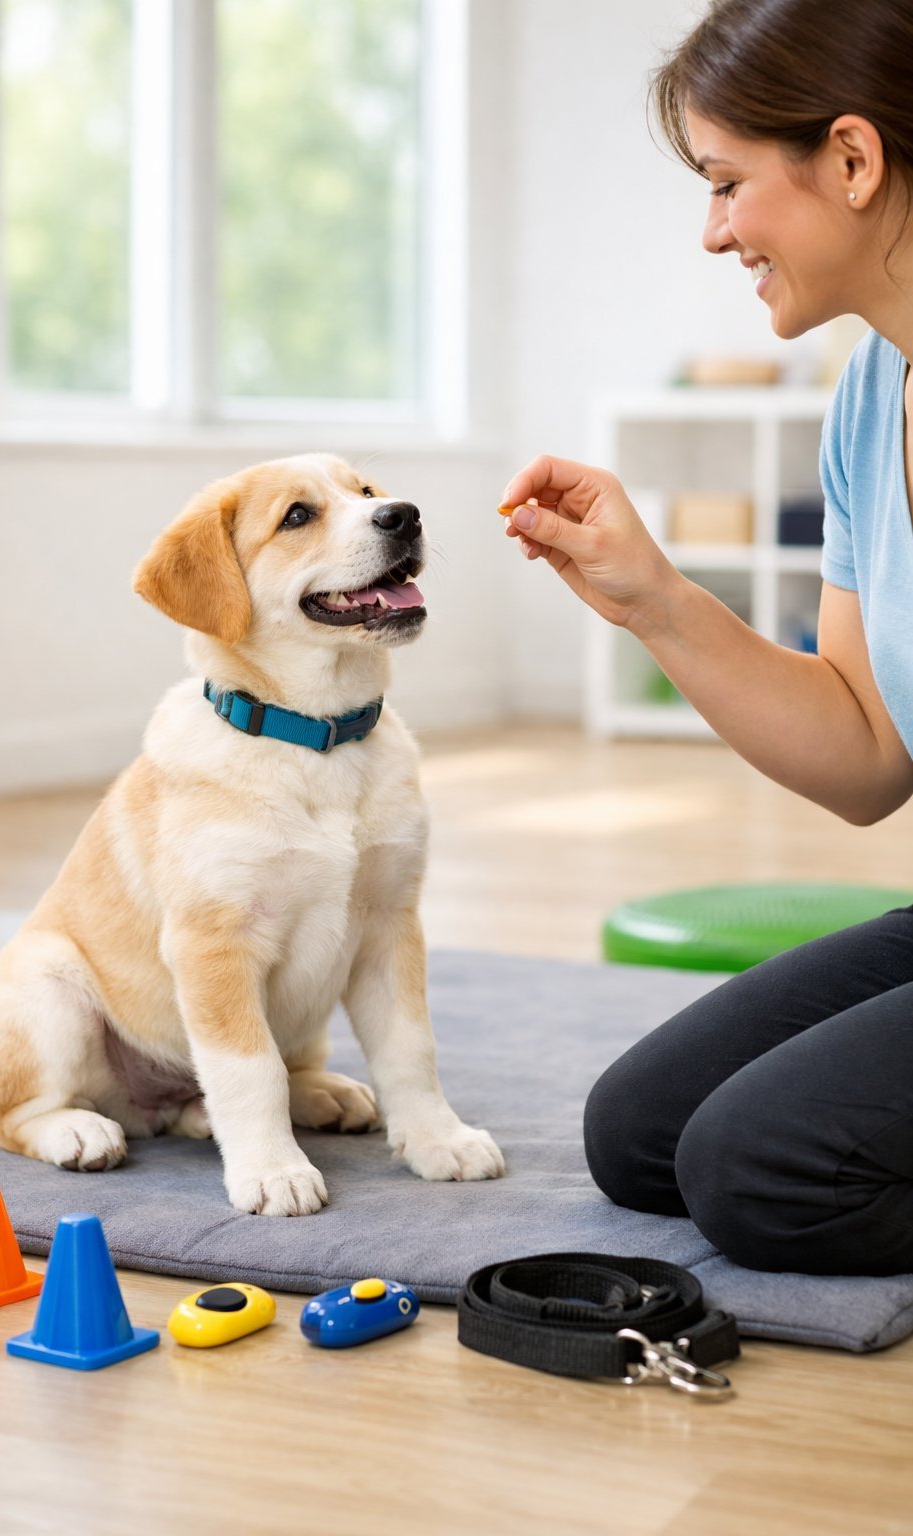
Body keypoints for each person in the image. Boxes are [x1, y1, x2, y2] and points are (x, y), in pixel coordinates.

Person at [500, 0, 913, 1276]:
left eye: (728, 184)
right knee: (642, 1134)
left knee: (764, 1170)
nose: (713, 231)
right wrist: (654, 601)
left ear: (850, 160)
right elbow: (863, 758)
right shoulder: (866, 398)